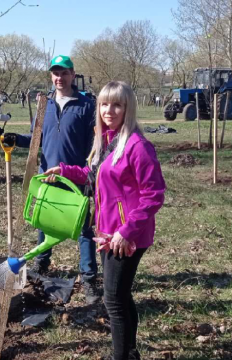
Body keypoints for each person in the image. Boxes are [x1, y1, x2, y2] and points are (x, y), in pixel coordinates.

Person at [43, 81, 166, 360]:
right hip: (109, 231)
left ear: (128, 108)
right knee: (120, 295)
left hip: (127, 236)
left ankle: (120, 356)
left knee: (112, 299)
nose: (109, 110)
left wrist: (127, 231)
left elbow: (154, 195)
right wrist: (63, 170)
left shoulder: (138, 146)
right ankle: (130, 352)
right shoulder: (107, 140)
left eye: (117, 104)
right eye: (104, 104)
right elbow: (92, 173)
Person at [3, 55, 100, 304]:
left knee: (82, 229)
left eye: (64, 73)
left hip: (75, 178)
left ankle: (89, 278)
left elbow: (97, 140)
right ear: (51, 76)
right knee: (45, 222)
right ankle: (42, 265)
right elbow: (37, 137)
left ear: (72, 74)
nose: (59, 77)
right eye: (55, 73)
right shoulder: (44, 105)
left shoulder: (86, 105)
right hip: (48, 175)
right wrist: (16, 139)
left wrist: (92, 170)